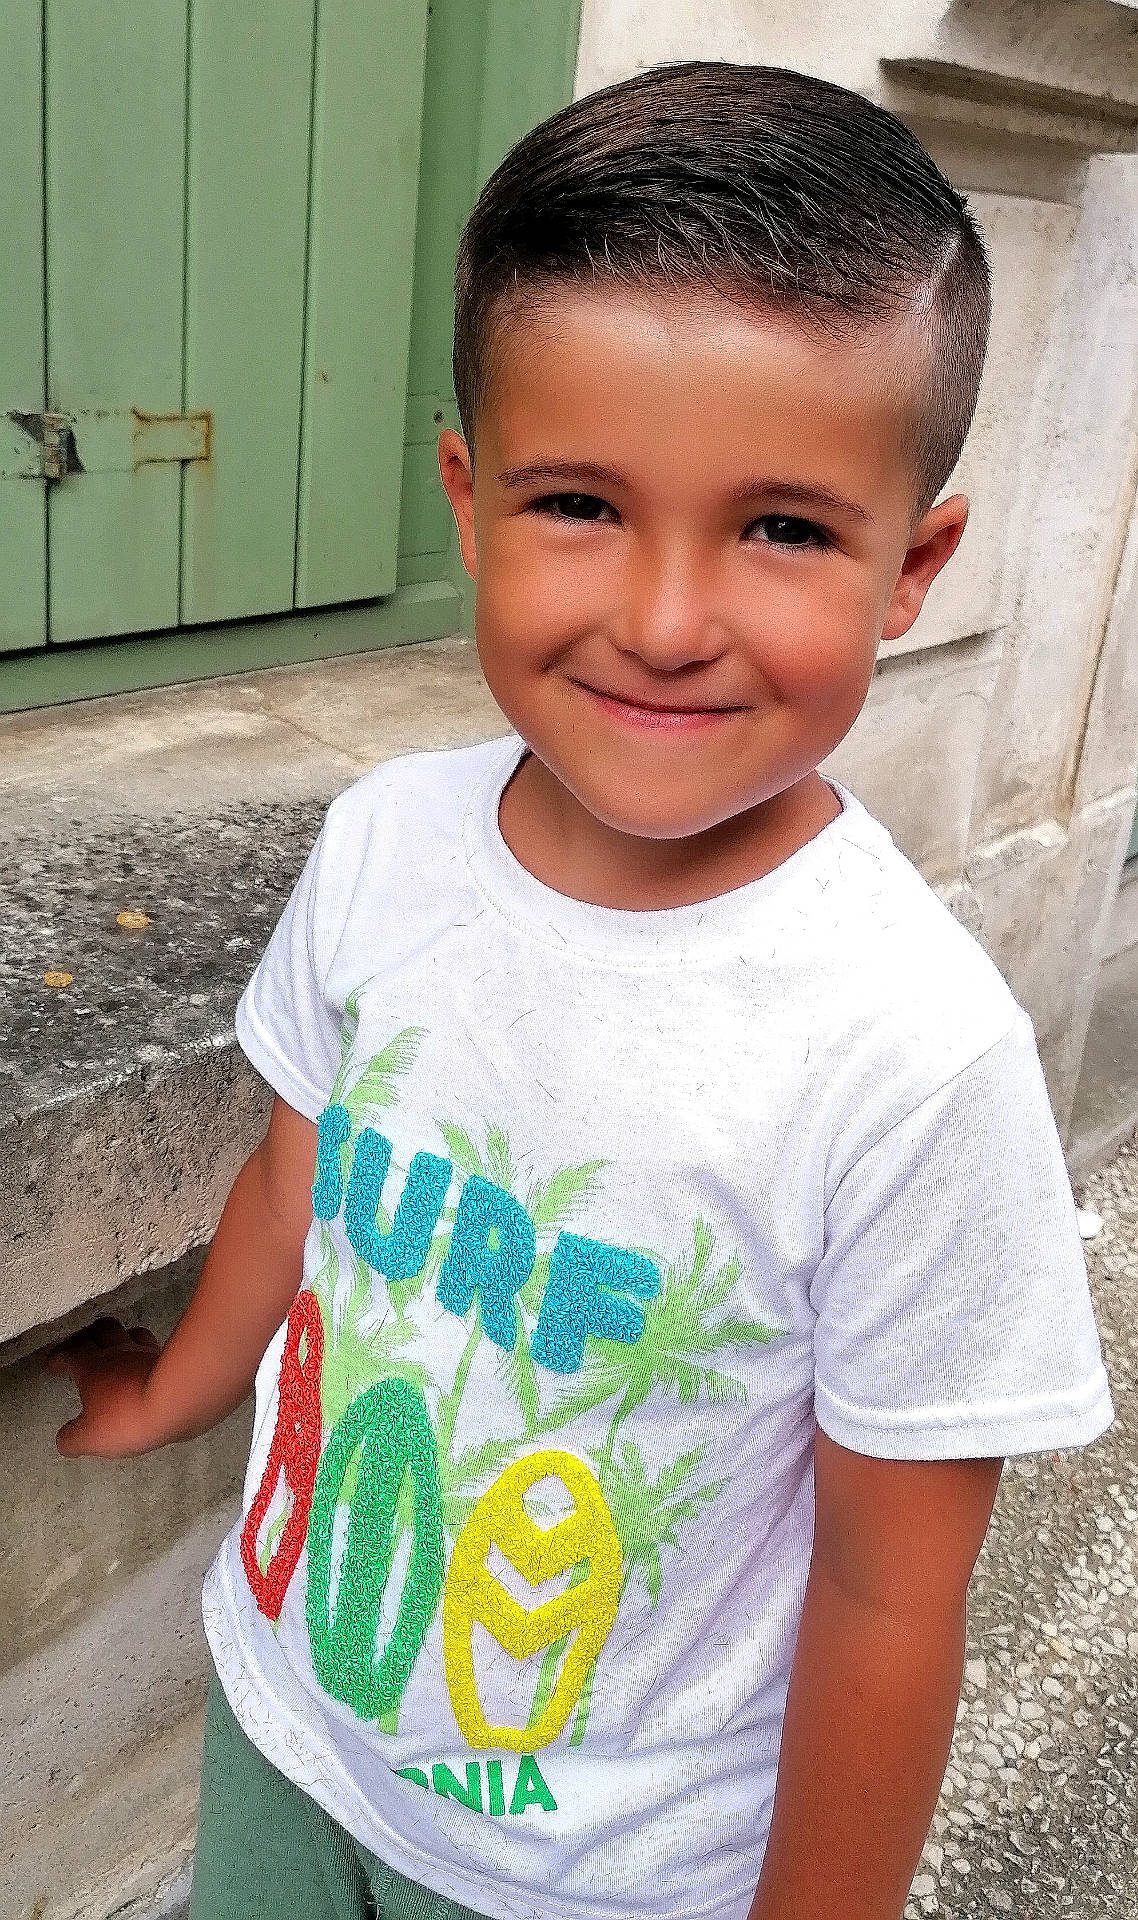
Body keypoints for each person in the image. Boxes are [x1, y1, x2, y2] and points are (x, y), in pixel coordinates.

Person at [42, 59, 1114, 1920]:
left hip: (601, 1875)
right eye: (579, 504)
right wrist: (181, 1396)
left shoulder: (908, 1055)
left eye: (781, 528)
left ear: (911, 567)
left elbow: (888, 1587)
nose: (667, 615)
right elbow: (302, 1179)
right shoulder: (384, 842)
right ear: (466, 498)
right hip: (286, 1716)